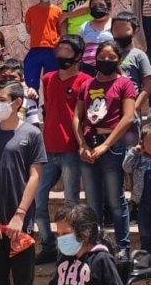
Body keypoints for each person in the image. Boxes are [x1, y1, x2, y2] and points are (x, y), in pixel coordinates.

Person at [0, 82, 47, 284]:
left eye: (1, 100)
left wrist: (20, 215)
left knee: (23, 278)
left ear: (17, 102)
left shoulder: (32, 134)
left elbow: (35, 176)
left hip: (21, 222)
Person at [76, 41, 138, 258]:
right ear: (95, 58)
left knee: (115, 199)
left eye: (112, 57)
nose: (107, 61)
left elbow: (128, 117)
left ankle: (122, 247)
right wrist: (82, 145)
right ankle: (96, 244)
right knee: (92, 200)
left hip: (112, 145)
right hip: (88, 144)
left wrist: (106, 144)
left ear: (118, 59)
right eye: (103, 56)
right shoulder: (86, 85)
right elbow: (77, 117)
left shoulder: (124, 84)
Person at [36, 36, 88, 255]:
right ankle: (48, 245)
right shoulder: (48, 78)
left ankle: (70, 248)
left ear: (77, 56)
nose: (61, 54)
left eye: (67, 51)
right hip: (47, 149)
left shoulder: (85, 81)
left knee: (70, 203)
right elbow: (47, 108)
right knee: (38, 199)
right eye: (60, 50)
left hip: (70, 150)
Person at [50, 204, 124, 285]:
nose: (60, 239)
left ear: (83, 234)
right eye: (58, 234)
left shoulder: (101, 259)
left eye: (65, 234)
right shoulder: (64, 258)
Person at [123, 124, 151, 262]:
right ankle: (146, 254)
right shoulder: (138, 158)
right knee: (144, 230)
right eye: (148, 142)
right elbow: (126, 167)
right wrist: (134, 151)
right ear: (142, 143)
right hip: (141, 202)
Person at [113, 12, 151, 114]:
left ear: (135, 31)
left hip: (131, 106)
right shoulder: (109, 54)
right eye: (116, 29)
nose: (120, 33)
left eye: (126, 29)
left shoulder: (139, 55)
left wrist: (135, 108)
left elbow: (148, 85)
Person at [0, 59, 43, 130]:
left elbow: (34, 129)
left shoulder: (28, 103)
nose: (8, 80)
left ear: (21, 80)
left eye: (12, 77)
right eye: (3, 77)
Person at [25, 0, 63, 90]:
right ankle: (32, 105)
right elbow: (28, 29)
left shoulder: (57, 11)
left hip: (52, 50)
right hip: (35, 50)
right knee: (31, 82)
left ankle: (49, 107)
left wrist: (57, 41)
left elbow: (61, 30)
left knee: (51, 82)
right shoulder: (31, 11)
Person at [79, 0, 116, 74]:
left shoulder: (115, 25)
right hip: (87, 69)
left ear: (108, 7)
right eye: (94, 5)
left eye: (101, 5)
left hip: (109, 68)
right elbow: (80, 48)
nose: (97, 7)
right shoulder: (84, 26)